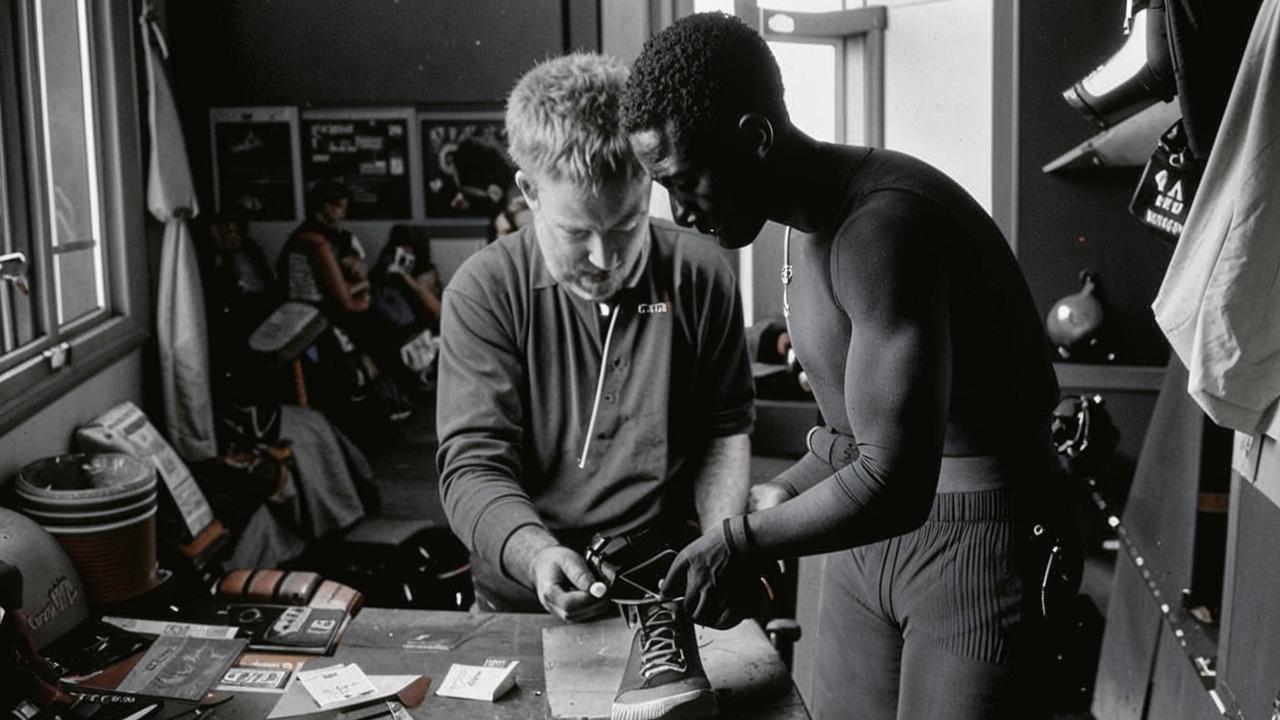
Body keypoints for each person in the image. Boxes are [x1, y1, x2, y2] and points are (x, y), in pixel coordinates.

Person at [623, 13, 1068, 720]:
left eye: (686, 183)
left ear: (755, 139)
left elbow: (896, 479)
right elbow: (851, 442)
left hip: (977, 540)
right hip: (869, 544)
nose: (680, 211)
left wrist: (740, 539)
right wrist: (777, 497)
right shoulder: (805, 225)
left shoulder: (886, 224)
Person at [436, 51, 754, 625]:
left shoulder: (702, 274)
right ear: (528, 193)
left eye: (627, 225)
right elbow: (471, 468)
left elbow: (724, 430)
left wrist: (719, 547)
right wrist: (535, 555)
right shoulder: (481, 293)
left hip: (667, 584)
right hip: (522, 595)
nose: (605, 258)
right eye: (576, 232)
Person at [278, 180, 410, 427]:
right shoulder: (317, 242)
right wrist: (363, 289)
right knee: (381, 329)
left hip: (318, 307)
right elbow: (345, 299)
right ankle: (384, 401)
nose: (342, 210)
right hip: (320, 311)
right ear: (320, 207)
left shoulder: (335, 237)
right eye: (336, 205)